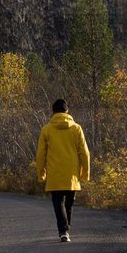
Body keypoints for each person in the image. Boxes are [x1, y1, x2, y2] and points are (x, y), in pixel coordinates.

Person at [34, 98, 91, 242]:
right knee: (69, 203)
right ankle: (66, 229)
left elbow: (41, 154)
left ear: (52, 112)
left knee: (58, 202)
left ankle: (63, 231)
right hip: (72, 174)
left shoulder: (46, 129)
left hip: (54, 174)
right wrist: (85, 173)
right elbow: (84, 152)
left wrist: (41, 173)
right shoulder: (76, 128)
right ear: (67, 111)